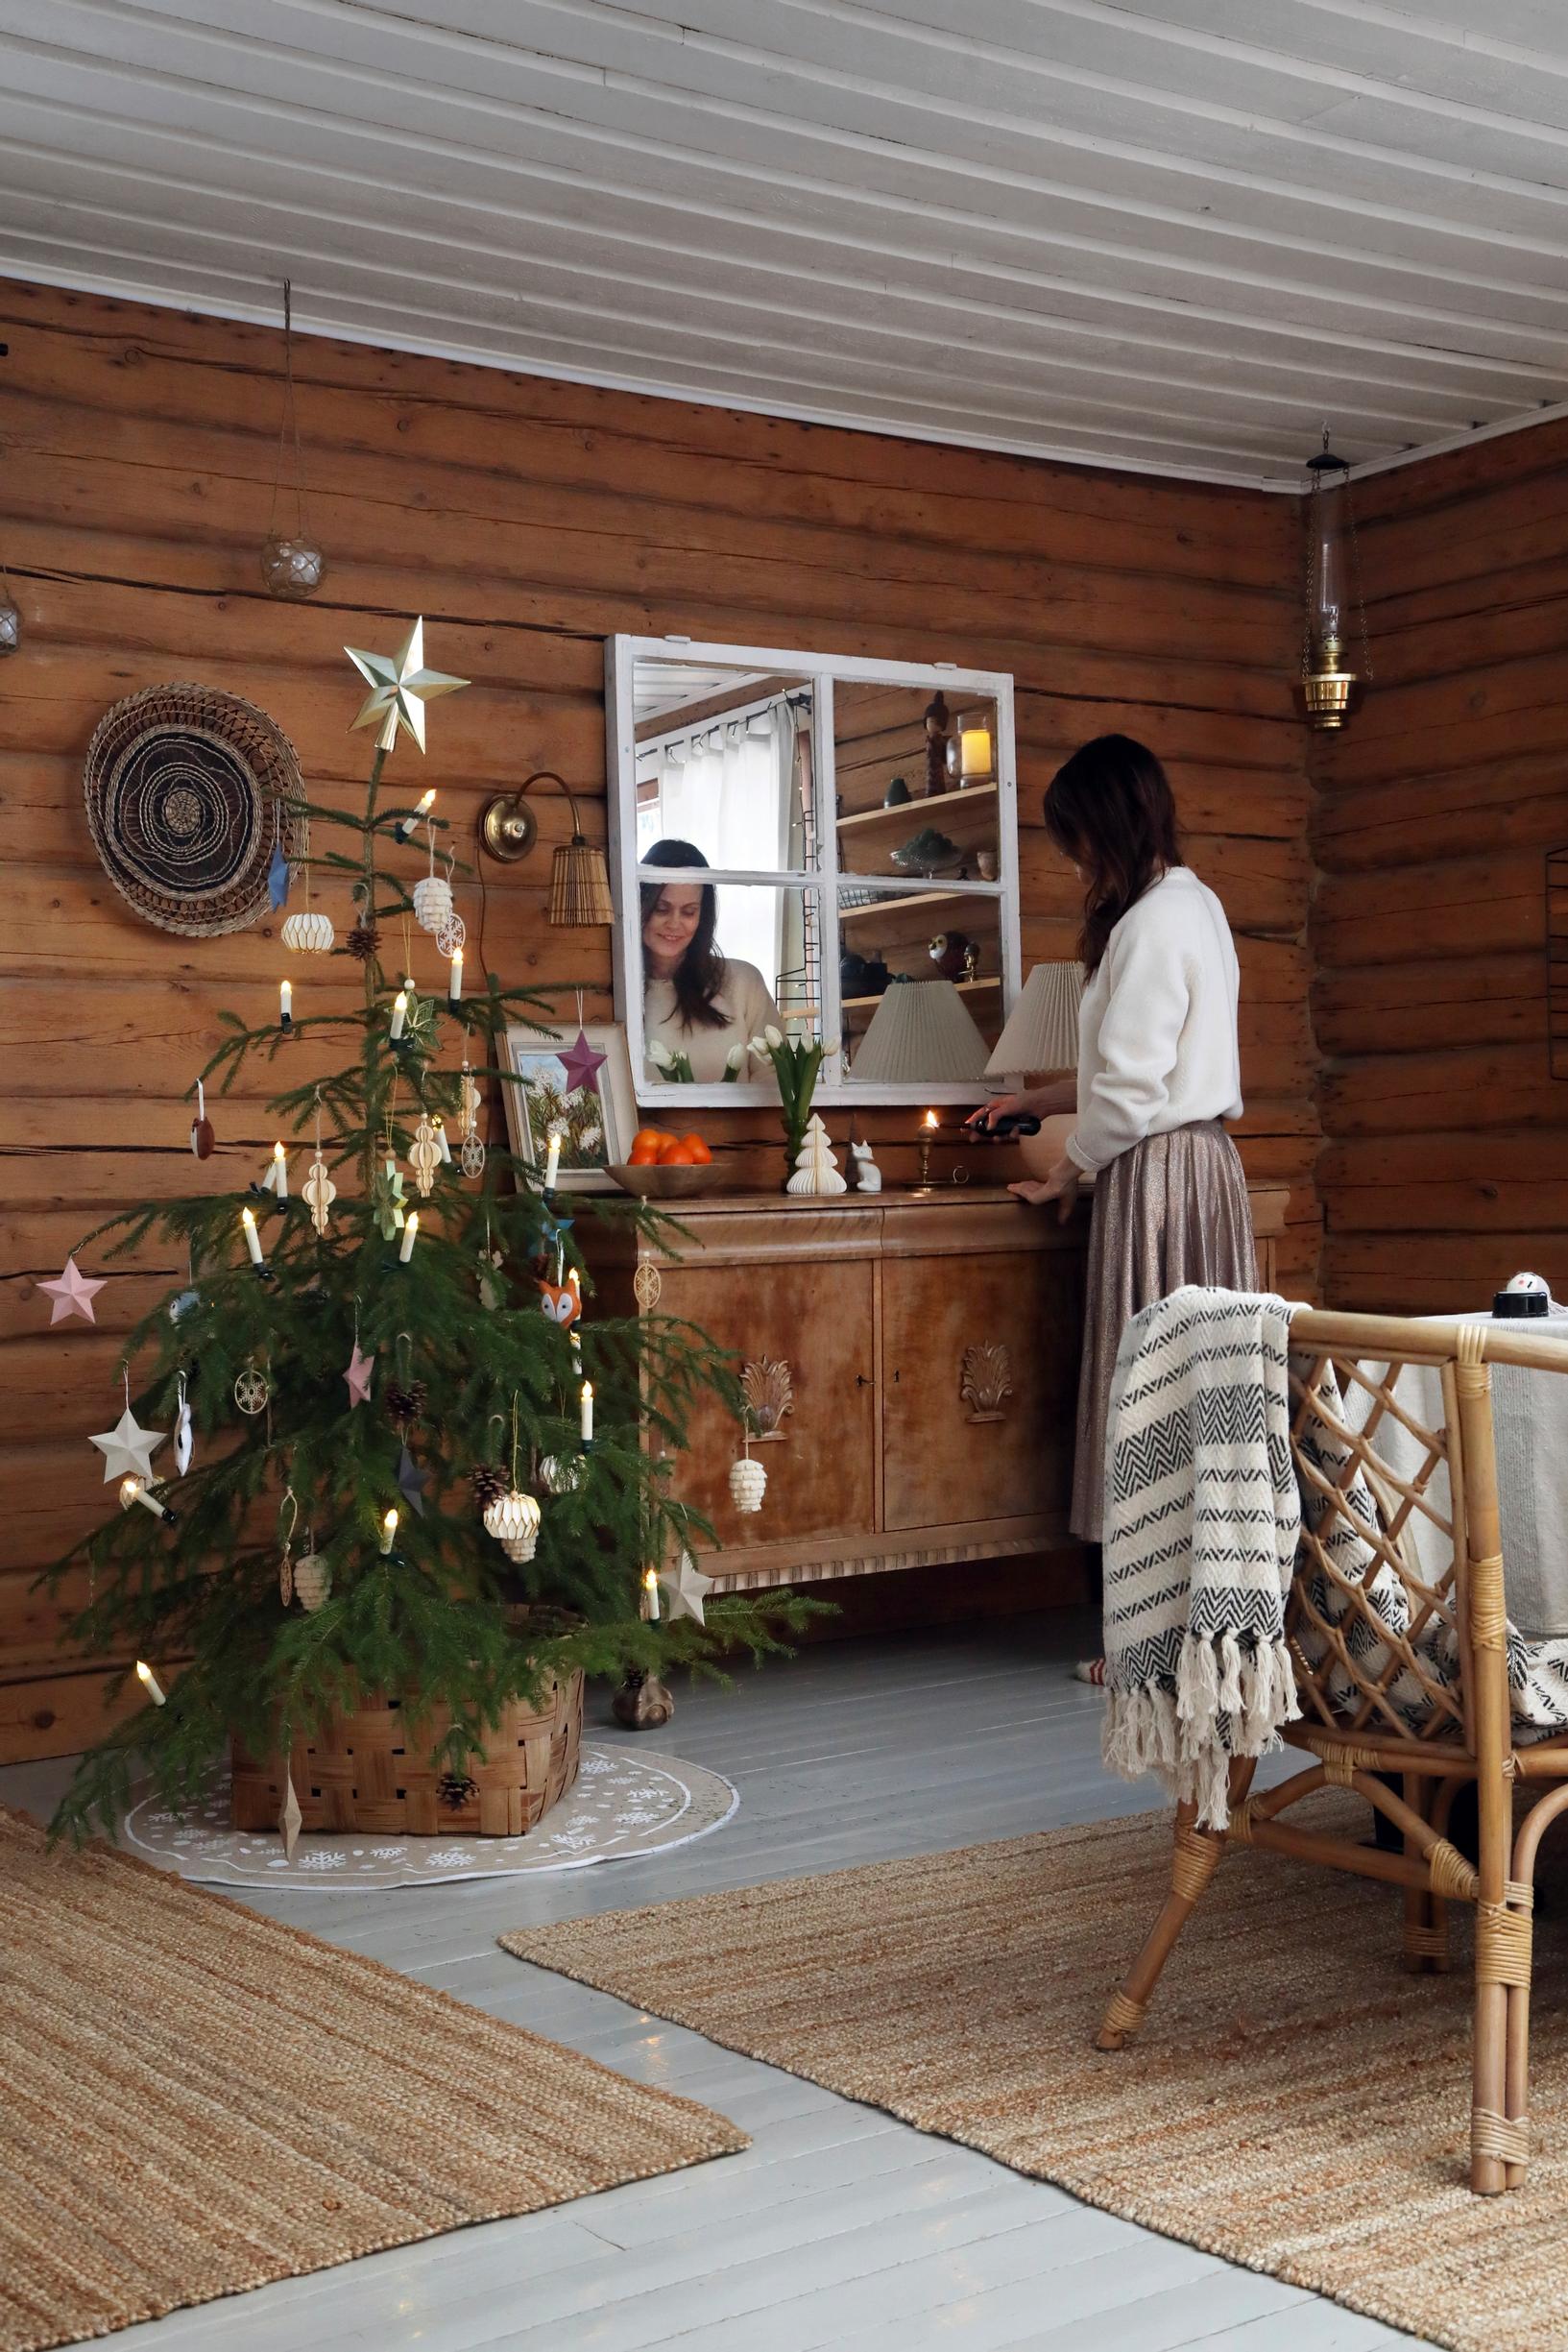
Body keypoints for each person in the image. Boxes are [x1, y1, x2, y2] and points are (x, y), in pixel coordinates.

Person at [969, 735, 1254, 1543]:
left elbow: (1131, 1098)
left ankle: (1143, 1632)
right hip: (1203, 1168)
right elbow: (1145, 1073)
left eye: (1077, 840)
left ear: (1107, 824)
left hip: (1158, 1177)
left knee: (1153, 1393)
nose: (1074, 862)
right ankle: (1200, 1610)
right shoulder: (1194, 904)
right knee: (1204, 1400)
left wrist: (1068, 1166)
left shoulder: (1152, 924)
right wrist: (1043, 1097)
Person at [640, 838, 783, 1081]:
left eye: (689, 912)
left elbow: (775, 1078)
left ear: (703, 916)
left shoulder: (743, 983)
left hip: (739, 1122)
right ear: (640, 906)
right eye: (661, 909)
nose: (674, 923)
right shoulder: (615, 992)